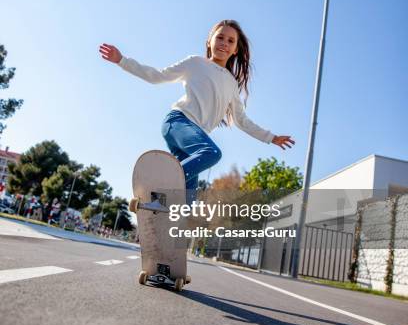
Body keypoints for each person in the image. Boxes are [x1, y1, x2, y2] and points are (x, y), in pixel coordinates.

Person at [99, 20, 294, 203]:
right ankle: (159, 190)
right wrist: (122, 61)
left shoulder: (232, 84)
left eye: (230, 41)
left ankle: (159, 213)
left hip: (193, 139)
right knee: (212, 152)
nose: (224, 43)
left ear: (235, 50)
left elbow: (242, 121)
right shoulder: (195, 63)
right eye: (220, 37)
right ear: (209, 41)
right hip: (178, 122)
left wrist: (271, 137)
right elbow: (157, 76)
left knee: (187, 202)